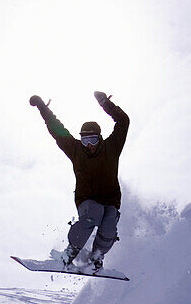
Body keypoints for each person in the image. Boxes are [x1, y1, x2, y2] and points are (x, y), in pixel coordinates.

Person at [29, 90, 130, 271]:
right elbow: (56, 128)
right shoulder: (76, 150)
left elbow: (123, 121)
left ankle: (97, 257)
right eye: (85, 141)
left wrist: (106, 104)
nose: (89, 145)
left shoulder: (111, 147)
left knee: (109, 224)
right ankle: (70, 253)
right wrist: (43, 108)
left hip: (111, 200)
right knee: (95, 212)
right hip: (87, 200)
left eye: (92, 140)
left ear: (99, 138)